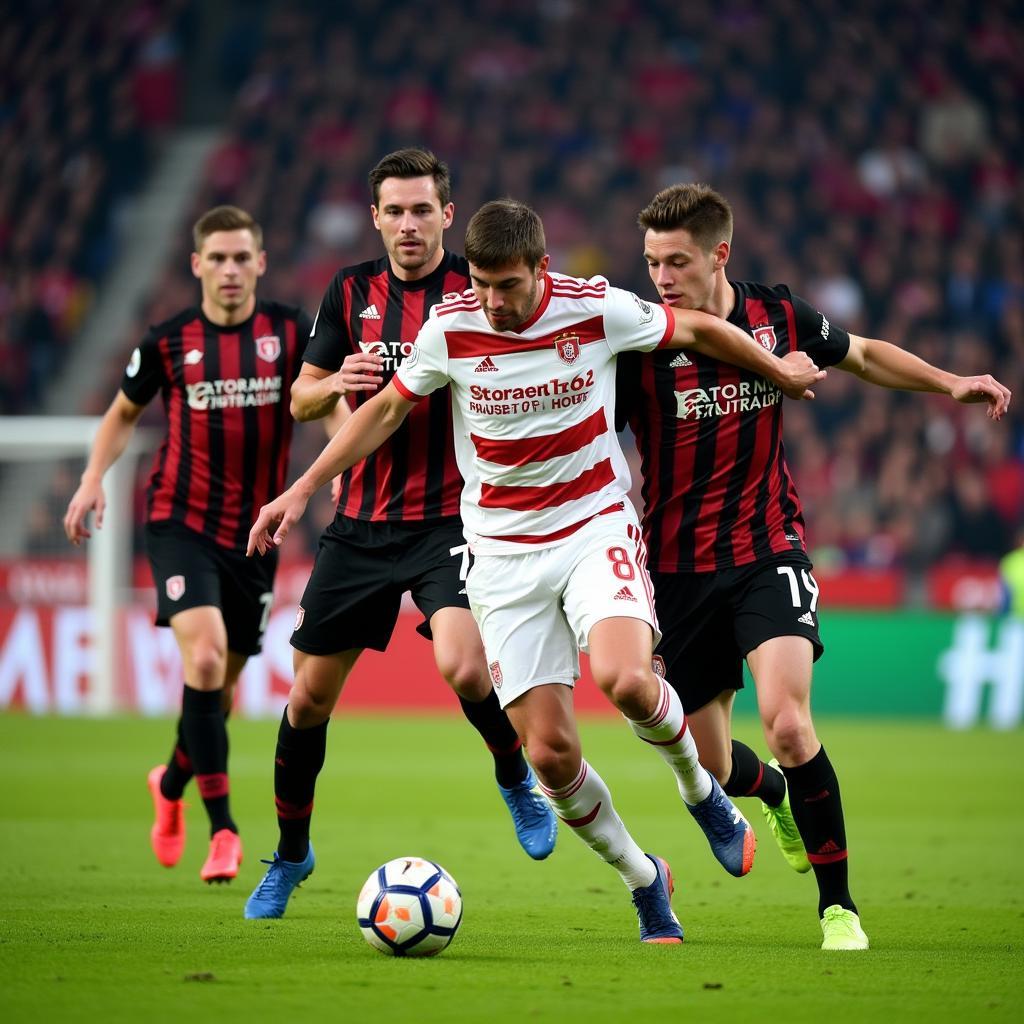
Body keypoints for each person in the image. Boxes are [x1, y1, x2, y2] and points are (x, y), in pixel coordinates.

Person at [246, 199, 826, 942]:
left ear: (541, 270)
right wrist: (298, 491)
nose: (493, 302)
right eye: (482, 285)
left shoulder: (594, 308)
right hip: (502, 554)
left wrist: (776, 366)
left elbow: (704, 328)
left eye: (508, 287)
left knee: (625, 679)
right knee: (551, 757)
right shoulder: (451, 327)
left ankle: (701, 793)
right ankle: (644, 880)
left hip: (592, 527)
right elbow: (385, 411)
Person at [619, 182, 1012, 950]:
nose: (661, 277)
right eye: (651, 262)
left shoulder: (779, 315)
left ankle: (839, 909)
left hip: (767, 550)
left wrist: (950, 383)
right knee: (705, 758)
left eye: (676, 261)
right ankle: (768, 792)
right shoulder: (639, 339)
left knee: (790, 723)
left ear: (719, 254)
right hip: (674, 571)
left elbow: (861, 355)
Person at [243, 151, 558, 921]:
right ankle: (290, 854)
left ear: (448, 216)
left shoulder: (473, 291)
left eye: (423, 210)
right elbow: (302, 396)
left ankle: (515, 776)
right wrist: (333, 388)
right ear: (376, 216)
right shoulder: (350, 292)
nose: (409, 224)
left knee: (463, 663)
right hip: (360, 525)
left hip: (453, 519)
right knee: (309, 699)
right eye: (396, 211)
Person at [63, 206, 311, 884]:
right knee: (201, 660)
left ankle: (169, 785)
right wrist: (92, 479)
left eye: (242, 257)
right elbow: (121, 415)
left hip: (257, 535)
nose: (230, 270)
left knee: (218, 693)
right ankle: (224, 831)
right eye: (218, 258)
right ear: (196, 264)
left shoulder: (291, 332)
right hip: (181, 522)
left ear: (260, 262)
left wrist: (344, 471)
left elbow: (327, 400)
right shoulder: (170, 342)